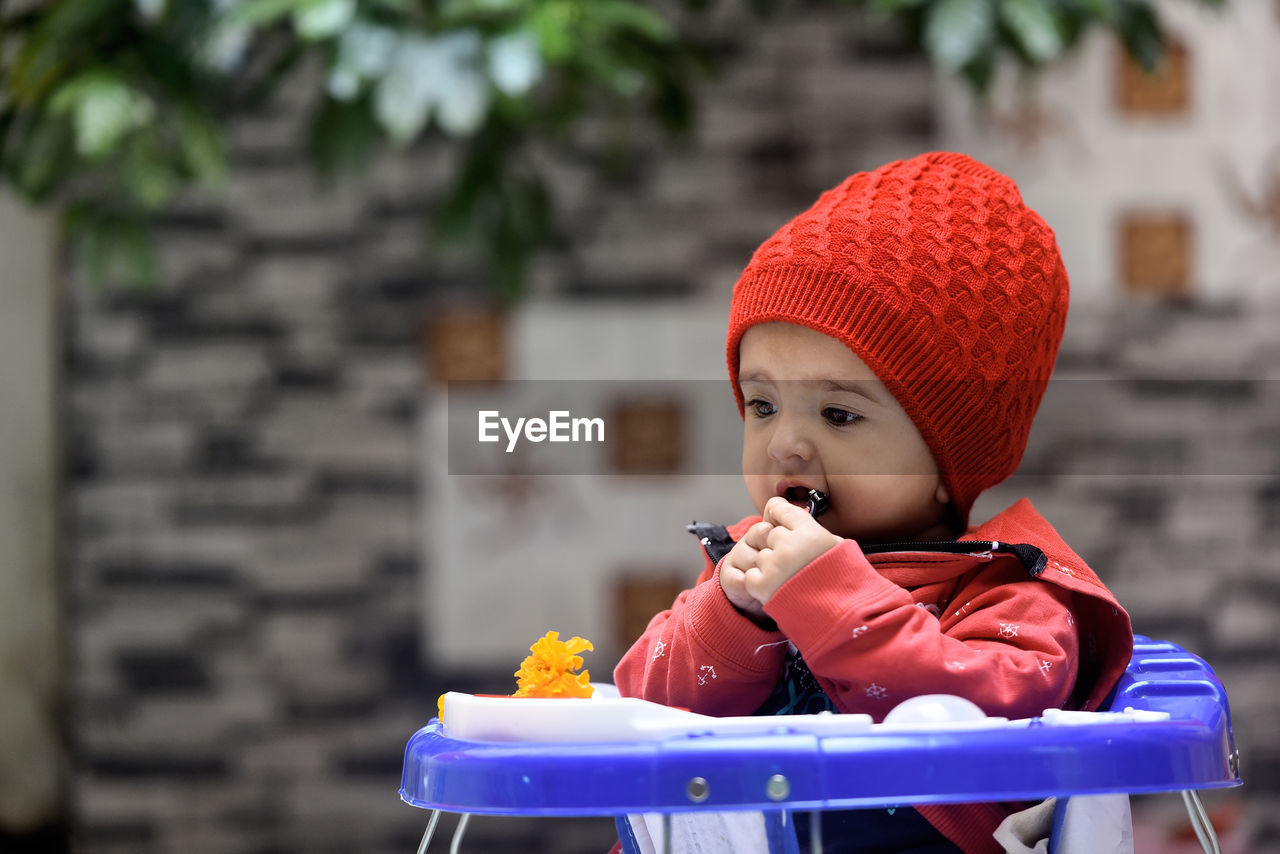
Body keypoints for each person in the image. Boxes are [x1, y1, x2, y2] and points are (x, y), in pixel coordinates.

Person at [612, 151, 1134, 854]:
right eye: (761, 405)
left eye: (838, 416)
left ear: (948, 464)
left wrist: (830, 601)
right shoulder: (740, 569)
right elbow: (644, 707)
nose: (784, 446)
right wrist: (729, 618)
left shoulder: (1008, 592)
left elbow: (994, 721)